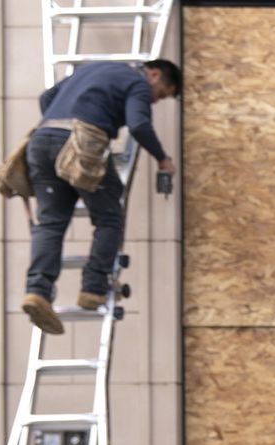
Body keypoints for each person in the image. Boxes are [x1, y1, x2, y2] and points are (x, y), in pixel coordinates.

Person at [18, 59, 180, 336]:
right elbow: (139, 125)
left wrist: (63, 127)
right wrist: (162, 160)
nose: (155, 100)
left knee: (51, 223)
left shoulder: (93, 69)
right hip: (81, 145)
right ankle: (93, 288)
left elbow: (46, 97)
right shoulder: (137, 83)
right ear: (154, 74)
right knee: (109, 218)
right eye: (161, 94)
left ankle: (37, 292)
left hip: (41, 141)